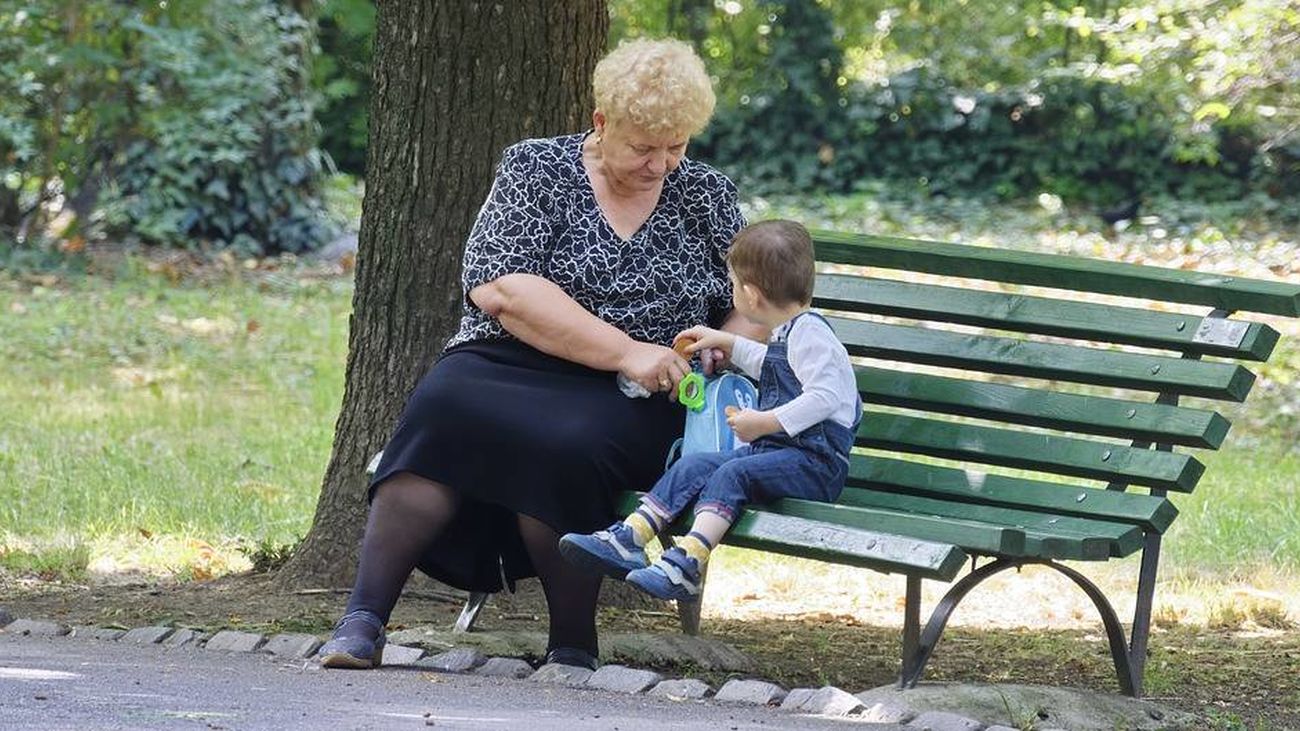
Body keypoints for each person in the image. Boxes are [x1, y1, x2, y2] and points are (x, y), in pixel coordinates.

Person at [316, 38, 755, 672]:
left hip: (635, 394)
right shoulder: (537, 169)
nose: (661, 164)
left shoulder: (706, 195)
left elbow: (749, 297)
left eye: (676, 146)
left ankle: (573, 642)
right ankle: (362, 619)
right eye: (643, 147)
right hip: (510, 360)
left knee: (569, 441)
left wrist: (725, 340)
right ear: (602, 124)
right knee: (444, 405)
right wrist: (625, 350)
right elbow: (502, 287)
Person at [558, 220, 862, 601]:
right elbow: (771, 364)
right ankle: (629, 537)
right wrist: (726, 342)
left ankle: (687, 563)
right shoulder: (791, 331)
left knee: (734, 471)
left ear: (750, 295)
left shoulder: (811, 334)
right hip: (782, 455)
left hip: (815, 466)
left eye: (732, 284)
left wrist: (763, 422)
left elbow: (826, 397)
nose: (731, 290)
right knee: (694, 465)